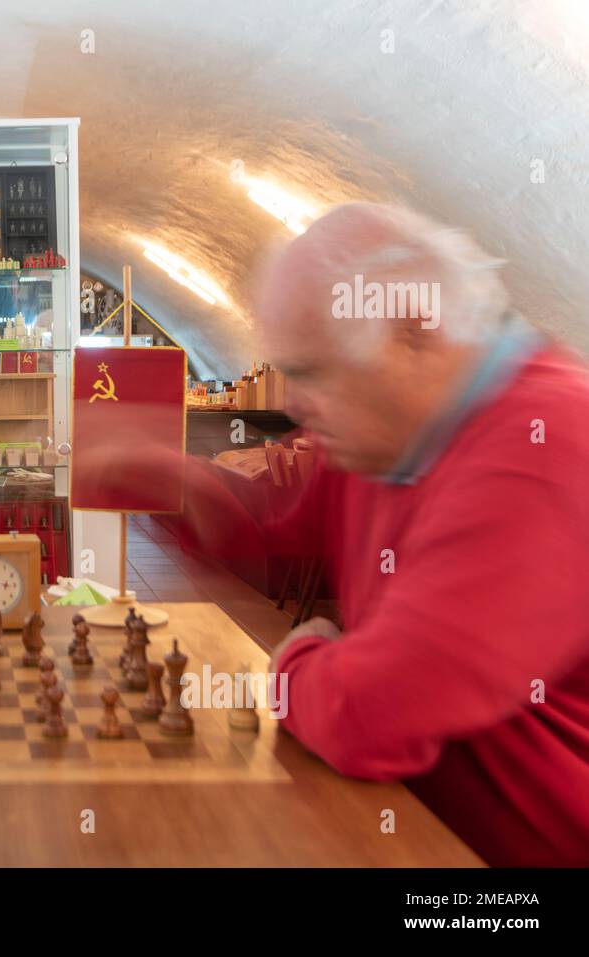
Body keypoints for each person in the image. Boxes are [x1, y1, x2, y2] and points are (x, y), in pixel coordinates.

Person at [179, 203, 589, 866]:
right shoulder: (382, 436)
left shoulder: (548, 441)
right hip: (409, 828)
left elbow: (367, 716)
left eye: (311, 372)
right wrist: (157, 476)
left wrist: (294, 660)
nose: (290, 403)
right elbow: (275, 542)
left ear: (415, 331)